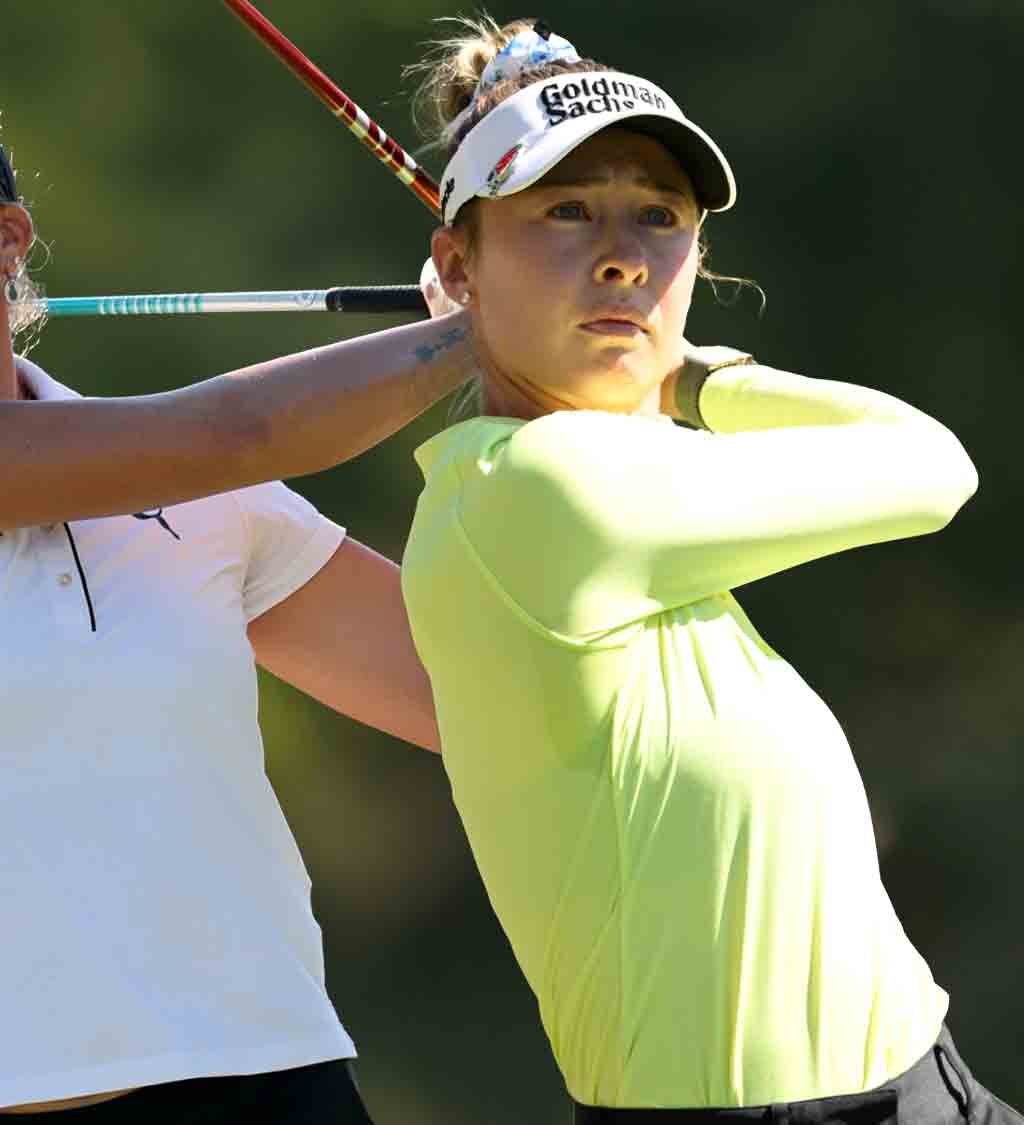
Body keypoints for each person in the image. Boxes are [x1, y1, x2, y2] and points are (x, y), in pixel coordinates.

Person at [0, 51, 475, 1124]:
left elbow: (475, 696)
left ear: (5, 233)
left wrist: (572, 376)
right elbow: (234, 428)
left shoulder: (205, 497)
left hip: (269, 1082)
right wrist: (478, 327)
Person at [396, 21, 1017, 1124]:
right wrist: (691, 377)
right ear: (456, 267)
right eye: (564, 211)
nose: (624, 256)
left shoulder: (601, 487)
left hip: (925, 1082)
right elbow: (932, 468)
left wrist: (667, 377)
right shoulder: (542, 495)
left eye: (658, 218)